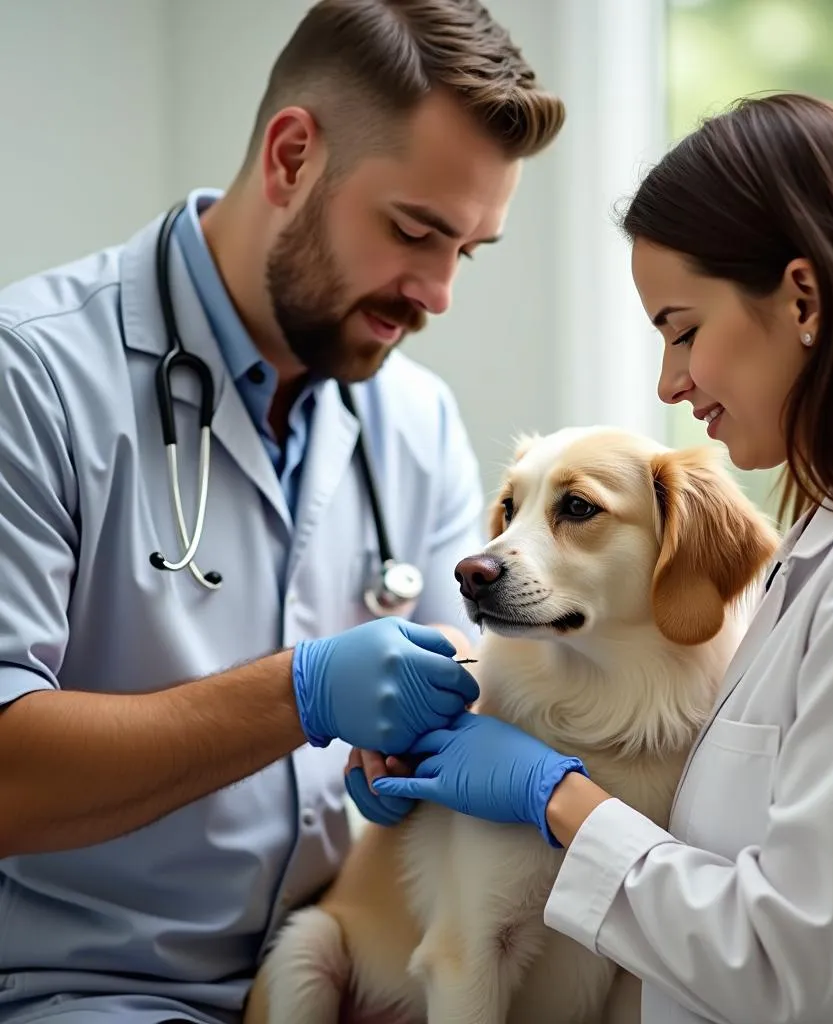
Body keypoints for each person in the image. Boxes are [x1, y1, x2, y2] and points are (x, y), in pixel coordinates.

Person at [370, 93, 833, 1022]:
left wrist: (558, 802)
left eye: (683, 330)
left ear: (803, 297)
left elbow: (781, 967)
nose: (671, 382)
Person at [0, 2, 563, 1022]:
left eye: (467, 251)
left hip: (338, 968)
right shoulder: (32, 377)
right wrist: (298, 696)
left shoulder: (415, 420)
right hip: (90, 990)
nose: (437, 293)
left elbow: (458, 690)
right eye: (413, 230)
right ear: (293, 156)